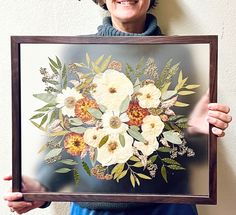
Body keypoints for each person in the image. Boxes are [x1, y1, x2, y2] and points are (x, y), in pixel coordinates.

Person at [3, 0, 232, 214]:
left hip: (168, 207)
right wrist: (40, 190)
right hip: (95, 209)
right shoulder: (77, 51)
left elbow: (190, 156)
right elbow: (65, 140)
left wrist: (197, 133)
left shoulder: (178, 54)